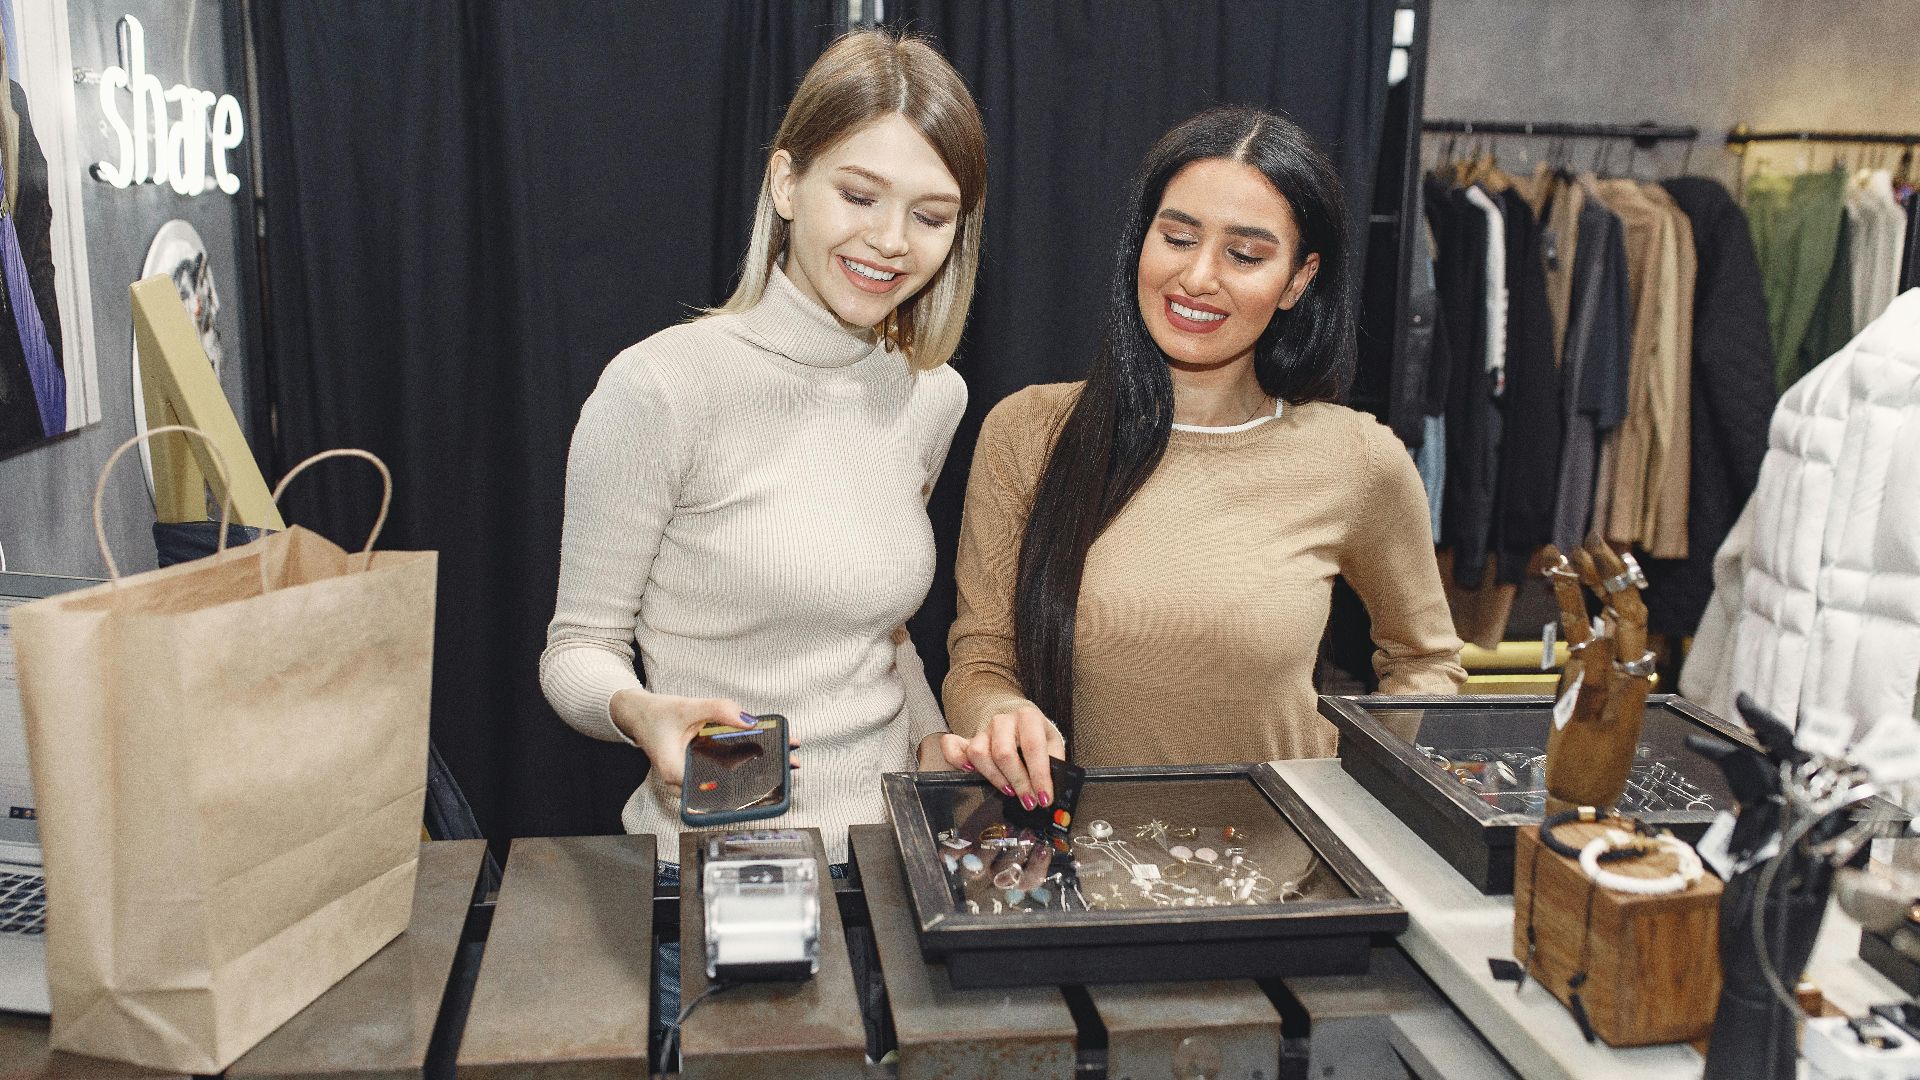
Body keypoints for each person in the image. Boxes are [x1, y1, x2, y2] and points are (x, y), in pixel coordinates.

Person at [537, 28, 984, 1055]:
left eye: (931, 215)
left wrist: (929, 745)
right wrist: (639, 709)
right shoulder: (660, 389)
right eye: (858, 195)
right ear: (787, 182)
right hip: (726, 873)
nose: (889, 241)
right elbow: (575, 649)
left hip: (891, 867)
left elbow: (887, 632)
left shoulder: (931, 397)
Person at [939, 106, 1463, 803]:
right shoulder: (1030, 432)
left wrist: (1363, 797)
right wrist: (999, 716)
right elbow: (980, 658)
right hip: (1071, 870)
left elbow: (1426, 662)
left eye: (1245, 255)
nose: (1198, 277)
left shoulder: (1357, 459)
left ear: (1298, 280)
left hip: (1287, 879)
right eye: (1178, 238)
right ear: (1141, 241)